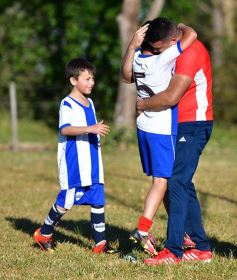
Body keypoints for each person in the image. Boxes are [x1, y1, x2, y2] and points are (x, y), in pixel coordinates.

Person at [136, 18, 214, 265]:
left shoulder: (191, 52)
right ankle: (200, 248)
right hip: (177, 125)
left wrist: (142, 104)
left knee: (176, 182)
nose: (157, 53)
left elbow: (170, 97)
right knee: (181, 183)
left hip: (194, 124)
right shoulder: (172, 47)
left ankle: (173, 251)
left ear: (172, 41)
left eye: (159, 48)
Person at [121, 18, 197, 255]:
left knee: (161, 182)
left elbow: (125, 76)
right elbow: (191, 34)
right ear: (158, 43)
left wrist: (132, 45)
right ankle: (143, 230)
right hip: (162, 130)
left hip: (143, 127)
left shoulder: (138, 59)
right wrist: (180, 26)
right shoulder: (161, 59)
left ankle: (181, 232)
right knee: (162, 182)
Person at [33, 58, 110, 254]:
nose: (92, 82)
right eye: (87, 79)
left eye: (93, 79)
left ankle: (100, 244)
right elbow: (65, 129)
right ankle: (45, 232)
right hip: (74, 162)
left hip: (92, 160)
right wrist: (90, 128)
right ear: (73, 80)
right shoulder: (67, 104)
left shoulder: (90, 102)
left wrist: (94, 131)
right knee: (67, 200)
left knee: (97, 198)